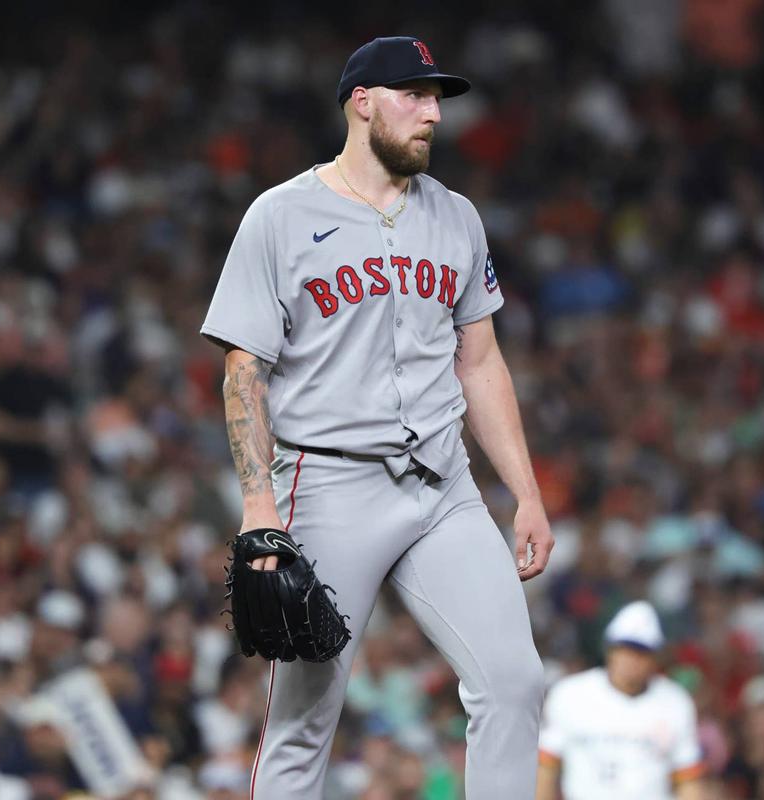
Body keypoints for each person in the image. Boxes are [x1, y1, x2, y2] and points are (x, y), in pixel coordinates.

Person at [200, 35, 554, 799]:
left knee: (515, 682)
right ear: (362, 103)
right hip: (329, 487)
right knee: (302, 722)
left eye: (437, 99)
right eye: (414, 96)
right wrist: (260, 507)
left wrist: (525, 491)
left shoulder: (456, 217)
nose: (432, 114)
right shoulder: (280, 216)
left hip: (442, 486)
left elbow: (482, 363)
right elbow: (243, 370)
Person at [538, 601, 706, 800]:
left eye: (642, 651)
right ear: (609, 649)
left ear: (656, 657)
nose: (632, 659)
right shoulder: (570, 694)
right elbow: (546, 768)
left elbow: (688, 779)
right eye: (625, 648)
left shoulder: (675, 702)